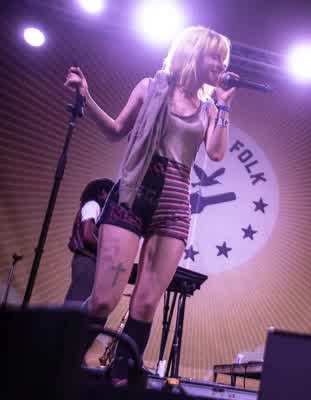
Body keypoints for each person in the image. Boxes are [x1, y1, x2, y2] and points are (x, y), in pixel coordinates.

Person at [64, 26, 237, 381]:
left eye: (224, 58)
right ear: (193, 53)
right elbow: (115, 130)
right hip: (133, 193)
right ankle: (61, 362)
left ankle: (120, 378)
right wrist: (87, 96)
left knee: (144, 304)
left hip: (173, 202)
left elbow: (217, 152)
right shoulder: (149, 87)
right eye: (215, 56)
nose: (221, 64)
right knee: (103, 299)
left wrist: (222, 105)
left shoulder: (208, 109)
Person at [64, 178, 114, 304]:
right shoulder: (93, 205)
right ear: (102, 192)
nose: (112, 200)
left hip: (88, 260)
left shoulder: (94, 207)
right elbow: (87, 235)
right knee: (77, 301)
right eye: (111, 194)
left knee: (81, 302)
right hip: (87, 260)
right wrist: (107, 253)